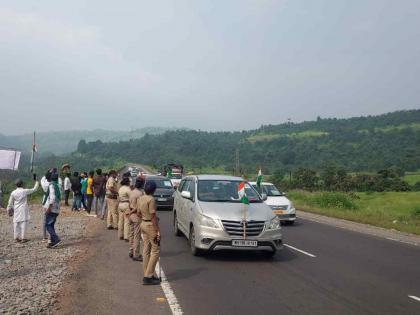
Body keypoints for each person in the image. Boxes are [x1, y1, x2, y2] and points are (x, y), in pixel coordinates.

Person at [138, 181, 161, 285]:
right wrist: (157, 230)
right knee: (156, 250)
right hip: (150, 225)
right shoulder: (151, 199)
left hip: (143, 223)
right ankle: (148, 276)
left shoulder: (141, 198)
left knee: (146, 249)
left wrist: (145, 217)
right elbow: (152, 216)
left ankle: (146, 273)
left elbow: (138, 213)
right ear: (154, 190)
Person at [7, 175, 39, 242]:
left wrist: (8, 209)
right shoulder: (24, 191)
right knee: (24, 222)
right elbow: (34, 189)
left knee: (16, 223)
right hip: (23, 209)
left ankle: (16, 237)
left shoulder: (13, 192)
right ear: (22, 184)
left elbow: (10, 202)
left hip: (16, 209)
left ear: (16, 185)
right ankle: (23, 238)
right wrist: (36, 181)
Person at [43, 173, 61, 247]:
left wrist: (49, 208)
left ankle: (56, 239)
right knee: (51, 224)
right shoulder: (58, 185)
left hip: (52, 208)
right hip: (57, 208)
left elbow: (52, 197)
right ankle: (52, 241)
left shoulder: (51, 185)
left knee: (47, 225)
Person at [128, 178, 144, 261]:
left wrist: (129, 213)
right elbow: (139, 207)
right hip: (136, 215)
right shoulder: (140, 194)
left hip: (130, 213)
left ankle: (131, 250)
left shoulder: (132, 192)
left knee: (131, 233)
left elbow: (129, 203)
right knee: (137, 236)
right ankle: (136, 254)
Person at [41, 170, 53, 241]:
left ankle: (44, 236)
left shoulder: (44, 183)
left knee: (45, 220)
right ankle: (50, 236)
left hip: (45, 202)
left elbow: (43, 178)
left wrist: (48, 172)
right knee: (51, 220)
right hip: (50, 202)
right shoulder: (52, 184)